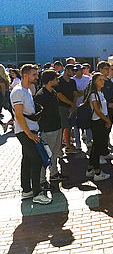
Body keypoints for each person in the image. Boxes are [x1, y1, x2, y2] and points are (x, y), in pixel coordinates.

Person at [10, 64, 52, 204]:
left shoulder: (27, 90)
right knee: (36, 159)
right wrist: (29, 134)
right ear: (25, 75)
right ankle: (37, 193)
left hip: (30, 130)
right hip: (25, 131)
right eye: (34, 74)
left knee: (27, 159)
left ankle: (27, 190)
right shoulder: (18, 92)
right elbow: (19, 115)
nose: (37, 76)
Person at [34, 70, 67, 184]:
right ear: (50, 81)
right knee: (45, 155)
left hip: (57, 127)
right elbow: (38, 115)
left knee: (54, 152)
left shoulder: (52, 91)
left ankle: (54, 173)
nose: (58, 80)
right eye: (56, 79)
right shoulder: (40, 95)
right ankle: (42, 180)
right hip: (47, 130)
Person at [84, 73, 111, 181]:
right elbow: (97, 111)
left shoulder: (100, 93)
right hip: (97, 122)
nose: (102, 82)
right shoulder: (93, 94)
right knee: (97, 147)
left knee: (96, 146)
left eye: (103, 80)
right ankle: (97, 172)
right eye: (100, 80)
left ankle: (90, 169)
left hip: (102, 121)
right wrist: (107, 120)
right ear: (95, 82)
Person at [55, 64, 78, 155]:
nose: (74, 72)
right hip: (61, 107)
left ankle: (68, 147)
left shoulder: (73, 81)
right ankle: (59, 149)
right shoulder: (59, 81)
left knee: (69, 128)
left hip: (71, 108)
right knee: (61, 128)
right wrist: (71, 104)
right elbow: (59, 95)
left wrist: (73, 105)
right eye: (73, 70)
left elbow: (75, 93)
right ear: (67, 70)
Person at [96, 62, 113, 155]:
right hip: (101, 112)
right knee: (101, 133)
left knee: (107, 131)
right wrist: (108, 104)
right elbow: (95, 98)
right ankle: (100, 153)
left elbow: (112, 94)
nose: (108, 71)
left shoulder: (108, 81)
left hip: (110, 110)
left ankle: (104, 151)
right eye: (106, 69)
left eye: (109, 69)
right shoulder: (96, 81)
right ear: (100, 69)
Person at [72, 64, 92, 150]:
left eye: (80, 70)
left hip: (86, 105)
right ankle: (78, 143)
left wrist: (81, 92)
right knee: (76, 126)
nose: (78, 72)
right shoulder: (72, 80)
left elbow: (88, 91)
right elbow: (75, 93)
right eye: (76, 70)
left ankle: (88, 140)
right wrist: (81, 92)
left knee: (88, 124)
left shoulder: (87, 78)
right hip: (76, 105)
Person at [0, 64, 12, 133]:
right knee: (10, 109)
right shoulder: (5, 77)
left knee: (9, 108)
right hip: (6, 94)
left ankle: (3, 124)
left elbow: (3, 87)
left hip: (2, 95)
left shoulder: (0, 78)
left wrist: (4, 97)